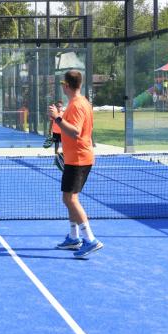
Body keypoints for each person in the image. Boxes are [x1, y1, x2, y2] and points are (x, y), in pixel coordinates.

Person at [49, 70, 103, 258]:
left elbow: (75, 132)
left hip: (79, 159)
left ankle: (90, 239)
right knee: (70, 199)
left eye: (62, 84)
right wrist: (58, 120)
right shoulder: (77, 103)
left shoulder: (78, 105)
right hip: (75, 158)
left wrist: (57, 117)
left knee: (69, 199)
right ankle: (74, 237)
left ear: (66, 85)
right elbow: (66, 128)